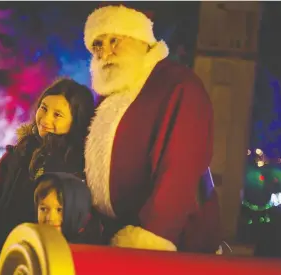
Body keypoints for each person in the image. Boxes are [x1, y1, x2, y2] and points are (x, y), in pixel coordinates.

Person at [83, 5, 221, 253]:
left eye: (114, 40)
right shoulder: (110, 94)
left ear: (141, 40)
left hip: (172, 244)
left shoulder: (179, 85)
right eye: (98, 45)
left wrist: (155, 231)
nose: (105, 52)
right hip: (113, 240)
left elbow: (182, 169)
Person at [0, 78, 96, 274]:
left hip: (42, 257)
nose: (45, 119)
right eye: (44, 108)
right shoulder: (20, 151)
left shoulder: (77, 164)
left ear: (76, 121)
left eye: (57, 115)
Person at [34, 172, 102, 244]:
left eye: (59, 210)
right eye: (43, 209)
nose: (50, 218)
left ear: (77, 211)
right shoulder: (33, 239)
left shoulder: (90, 248)